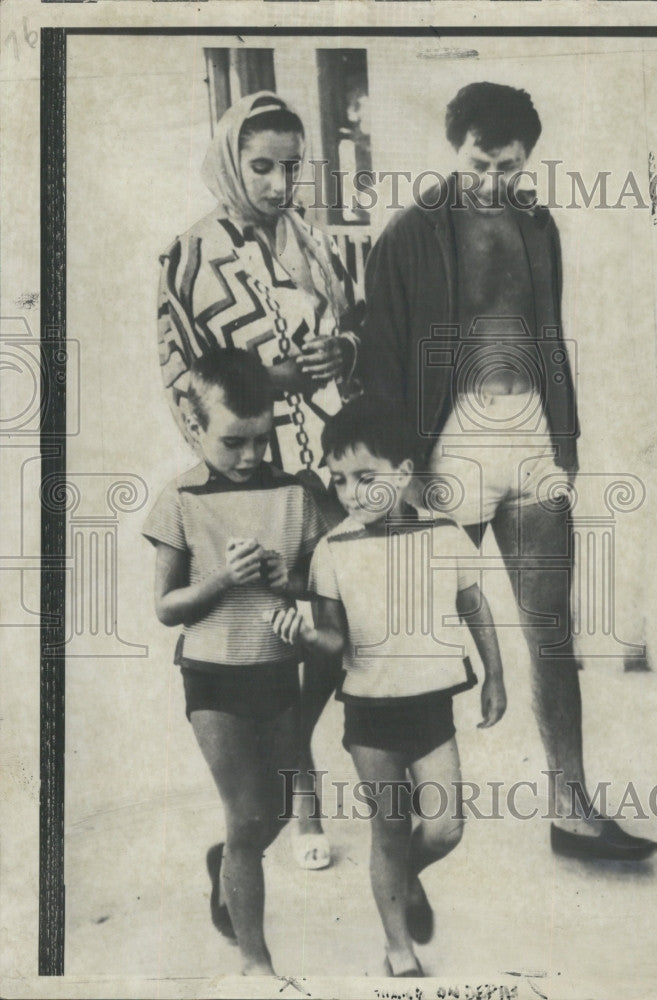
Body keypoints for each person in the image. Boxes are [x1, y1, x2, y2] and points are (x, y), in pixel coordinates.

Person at [358, 82, 657, 861]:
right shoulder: (409, 232)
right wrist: (398, 469)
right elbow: (382, 360)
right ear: (454, 150)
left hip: (530, 438)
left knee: (551, 632)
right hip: (447, 444)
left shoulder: (537, 223)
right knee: (413, 630)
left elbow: (545, 331)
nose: (494, 179)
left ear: (529, 158)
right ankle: (404, 810)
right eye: (480, 163)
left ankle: (571, 810)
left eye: (510, 164)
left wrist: (566, 441)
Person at [157, 90, 362, 872]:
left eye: (290, 167)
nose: (278, 184)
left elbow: (350, 321)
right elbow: (183, 378)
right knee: (270, 628)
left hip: (323, 462)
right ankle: (293, 803)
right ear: (231, 162)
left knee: (330, 625)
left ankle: (293, 759)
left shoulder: (311, 241)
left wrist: (339, 353)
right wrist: (262, 385)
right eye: (262, 166)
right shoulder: (189, 252)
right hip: (254, 468)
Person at [266, 397, 507, 977]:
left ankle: (405, 878)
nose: (350, 493)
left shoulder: (445, 535)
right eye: (339, 480)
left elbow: (476, 607)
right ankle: (399, 950)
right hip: (371, 716)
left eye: (366, 477)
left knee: (446, 828)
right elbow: (333, 641)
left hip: (431, 708)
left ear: (404, 472)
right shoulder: (332, 551)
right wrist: (302, 635)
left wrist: (495, 675)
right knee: (390, 830)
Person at [142, 348, 328, 975]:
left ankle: (225, 861)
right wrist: (222, 579)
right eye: (232, 441)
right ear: (193, 427)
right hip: (213, 673)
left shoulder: (293, 494)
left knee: (271, 813)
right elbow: (168, 608)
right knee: (246, 812)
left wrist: (288, 579)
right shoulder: (180, 499)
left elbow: (315, 585)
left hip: (277, 668)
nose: (251, 456)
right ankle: (257, 963)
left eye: (262, 438)